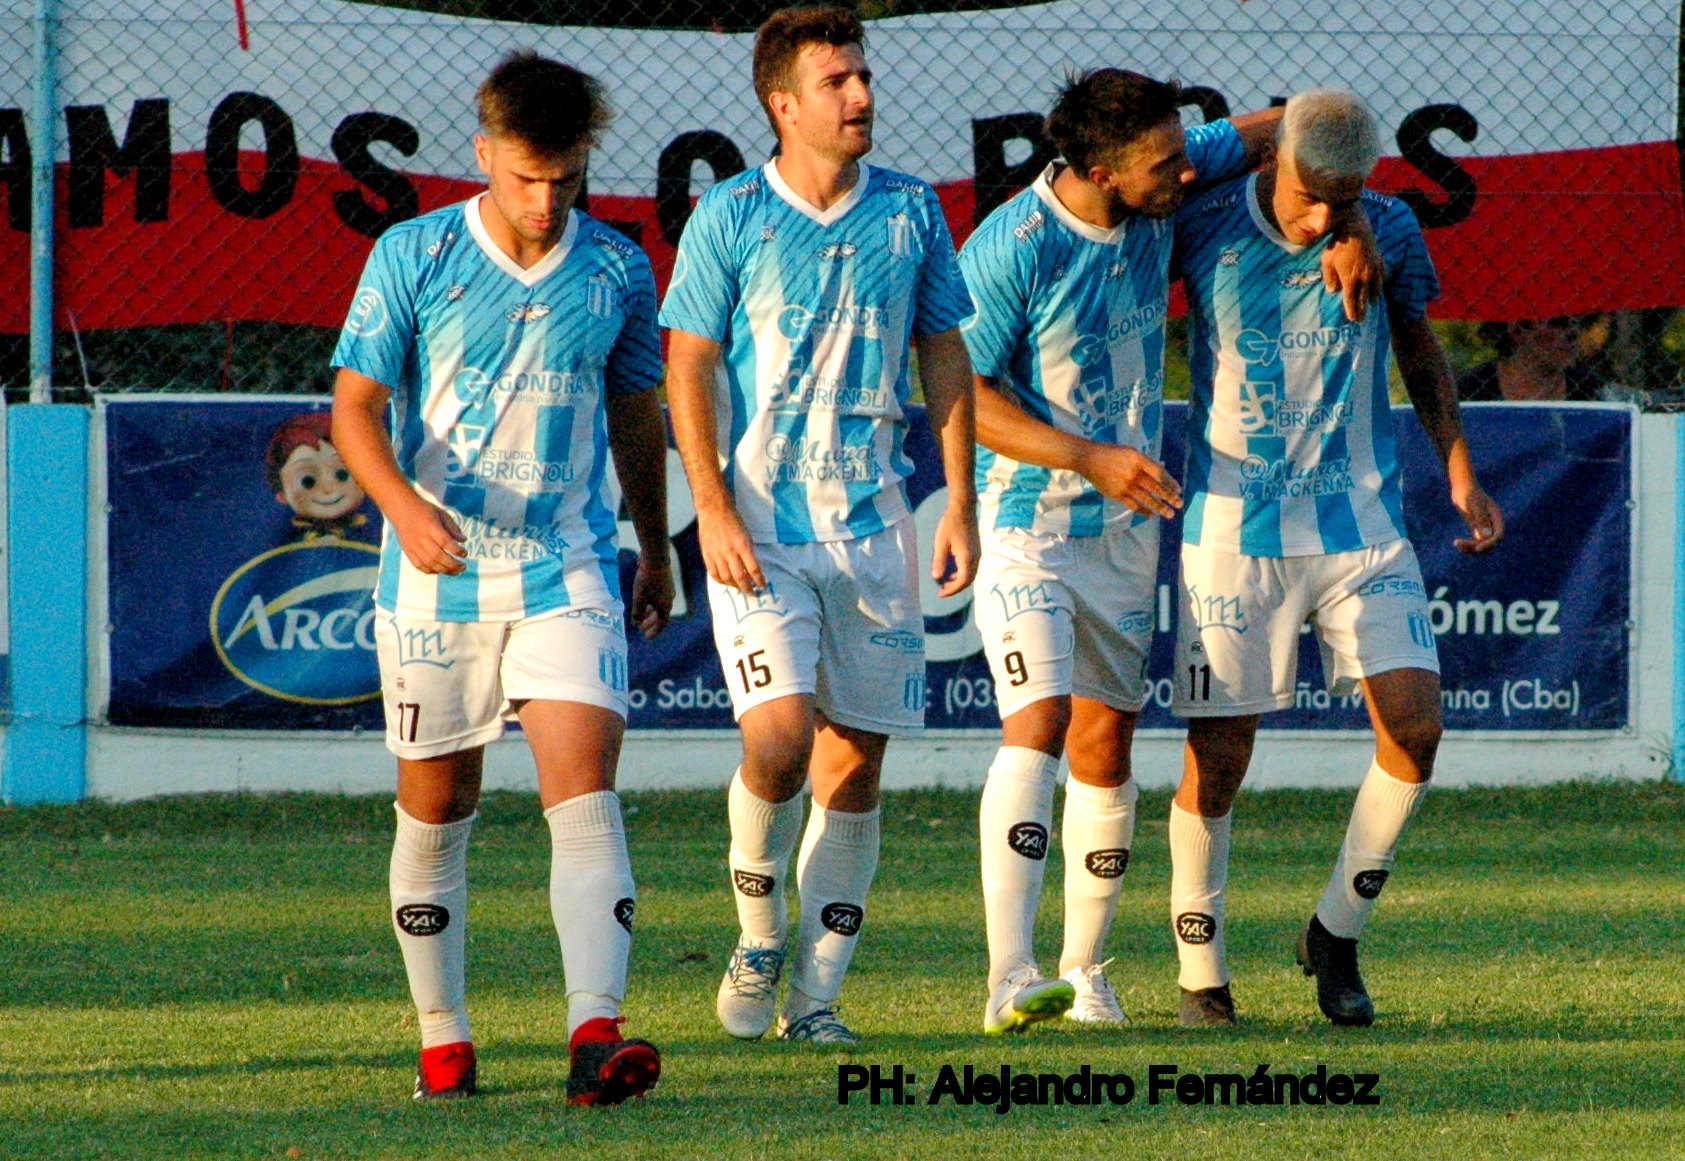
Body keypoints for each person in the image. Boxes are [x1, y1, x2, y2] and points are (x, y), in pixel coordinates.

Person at [957, 69, 1378, 1034]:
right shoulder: (1011, 248)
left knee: (1104, 744)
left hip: (1125, 532)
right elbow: (961, 393)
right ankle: (1009, 976)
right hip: (1029, 525)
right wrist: (1085, 456)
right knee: (1039, 721)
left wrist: (1347, 215)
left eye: (1182, 151)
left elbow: (1310, 123)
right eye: (1160, 163)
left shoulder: (1166, 181)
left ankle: (1084, 970)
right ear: (1099, 170)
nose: (1183, 174)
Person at [330, 50, 673, 1104]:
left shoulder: (615, 267)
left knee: (585, 792)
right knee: (438, 807)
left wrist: (653, 544)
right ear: (482, 155)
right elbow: (353, 409)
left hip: (562, 563)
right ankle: (443, 1038)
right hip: (434, 579)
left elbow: (632, 415)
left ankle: (593, 1038)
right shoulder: (414, 252)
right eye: (525, 177)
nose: (544, 201)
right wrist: (403, 508)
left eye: (565, 180)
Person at [660, 4, 979, 1046]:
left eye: (863, 75)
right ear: (780, 103)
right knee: (782, 742)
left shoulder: (910, 212)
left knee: (856, 764)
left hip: (876, 527)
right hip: (760, 529)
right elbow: (687, 363)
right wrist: (708, 507)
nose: (861, 96)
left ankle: (817, 1000)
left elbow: (942, 352)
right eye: (837, 81)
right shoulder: (731, 216)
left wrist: (960, 496)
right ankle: (758, 936)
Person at [1168, 89, 1503, 1028]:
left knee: (1416, 727)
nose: (1321, 219)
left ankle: (1335, 933)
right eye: (1310, 197)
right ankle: (1201, 972)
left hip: (1361, 524)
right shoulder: (1200, 221)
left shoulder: (1384, 224)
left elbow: (1418, 346)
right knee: (1220, 752)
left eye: (1341, 200)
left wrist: (1459, 470)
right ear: (1272, 158)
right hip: (1234, 533)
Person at [266, 412, 369, 539]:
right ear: (282, 494)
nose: (327, 489)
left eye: (342, 475)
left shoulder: (378, 537)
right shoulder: (286, 541)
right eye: (307, 481)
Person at [1457, 317, 1609, 402]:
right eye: (1558, 323)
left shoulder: (1594, 393)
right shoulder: (1471, 392)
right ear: (1517, 329)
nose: (1572, 333)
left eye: (1576, 323)